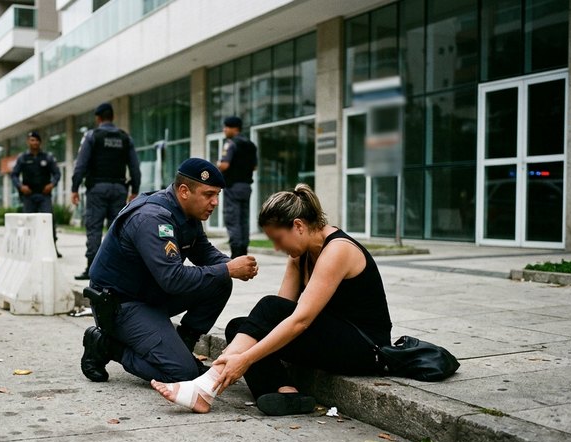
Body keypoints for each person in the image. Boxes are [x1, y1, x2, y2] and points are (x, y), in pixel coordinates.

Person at [151, 184, 393, 416]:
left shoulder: (338, 250)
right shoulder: (300, 255)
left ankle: (206, 388)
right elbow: (278, 315)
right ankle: (286, 393)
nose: (277, 248)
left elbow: (299, 320)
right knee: (238, 327)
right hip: (331, 337)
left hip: (364, 348)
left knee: (264, 314)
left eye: (278, 239)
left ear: (298, 225)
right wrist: (245, 352)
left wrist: (245, 359)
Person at [80, 158, 259, 384]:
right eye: (208, 194)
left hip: (151, 294)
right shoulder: (152, 218)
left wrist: (234, 265)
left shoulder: (186, 213)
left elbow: (204, 252)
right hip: (121, 304)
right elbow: (173, 279)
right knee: (182, 374)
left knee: (220, 281)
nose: (215, 202)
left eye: (217, 195)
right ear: (184, 191)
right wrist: (227, 269)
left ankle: (183, 347)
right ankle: (106, 346)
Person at [71, 102, 142, 280]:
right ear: (112, 117)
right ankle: (115, 269)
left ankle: (92, 268)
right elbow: (135, 168)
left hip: (97, 189)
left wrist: (74, 188)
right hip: (119, 189)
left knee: (94, 228)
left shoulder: (92, 136)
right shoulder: (125, 138)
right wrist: (135, 189)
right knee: (116, 230)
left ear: (98, 118)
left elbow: (81, 165)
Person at [10, 131, 62, 257]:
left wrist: (52, 184)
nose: (34, 143)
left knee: (48, 221)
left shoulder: (47, 157)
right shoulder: (23, 158)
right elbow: (14, 175)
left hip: (44, 195)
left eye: (37, 140)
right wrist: (20, 186)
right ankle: (28, 249)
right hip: (29, 195)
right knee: (28, 222)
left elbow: (57, 173)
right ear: (28, 142)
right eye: (32, 140)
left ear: (40, 142)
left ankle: (52, 248)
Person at [218, 116, 257, 258]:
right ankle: (244, 251)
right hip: (246, 187)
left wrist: (217, 165)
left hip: (232, 186)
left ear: (234, 129)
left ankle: (236, 254)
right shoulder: (251, 145)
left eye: (226, 127)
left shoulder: (230, 144)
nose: (224, 130)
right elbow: (255, 167)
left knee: (232, 218)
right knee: (243, 219)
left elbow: (224, 165)